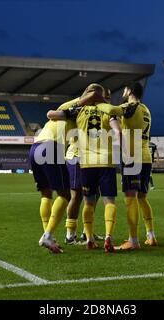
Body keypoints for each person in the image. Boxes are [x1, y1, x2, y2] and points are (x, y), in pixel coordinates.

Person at [47, 84, 122, 253]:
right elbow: (56, 113)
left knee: (93, 196)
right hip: (76, 156)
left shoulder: (81, 110)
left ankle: (88, 233)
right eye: (105, 96)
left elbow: (54, 114)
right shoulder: (78, 107)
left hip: (87, 159)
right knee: (77, 195)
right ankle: (70, 234)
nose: (106, 100)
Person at [31, 85, 101, 253]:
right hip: (51, 147)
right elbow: (92, 94)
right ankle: (48, 235)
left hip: (35, 147)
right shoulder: (79, 107)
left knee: (46, 194)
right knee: (65, 195)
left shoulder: (69, 107)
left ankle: (49, 236)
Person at [115, 82, 157, 250]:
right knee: (142, 197)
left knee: (130, 197)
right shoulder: (146, 109)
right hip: (146, 156)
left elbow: (111, 112)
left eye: (125, 89)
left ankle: (133, 240)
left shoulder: (129, 106)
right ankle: (151, 235)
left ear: (130, 91)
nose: (123, 92)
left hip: (132, 157)